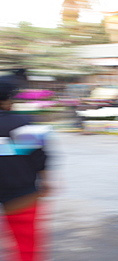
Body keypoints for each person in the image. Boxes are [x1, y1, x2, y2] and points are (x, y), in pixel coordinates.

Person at [0, 72, 51, 261]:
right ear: (10, 98)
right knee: (26, 249)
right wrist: (46, 181)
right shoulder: (24, 123)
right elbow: (40, 157)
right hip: (22, 195)